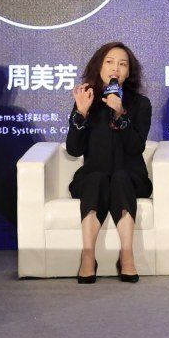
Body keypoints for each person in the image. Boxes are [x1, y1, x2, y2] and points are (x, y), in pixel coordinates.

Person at [66, 41, 152, 283]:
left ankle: (127, 255)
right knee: (96, 179)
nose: (116, 68)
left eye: (122, 64)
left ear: (129, 72)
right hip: (94, 175)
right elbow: (74, 149)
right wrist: (81, 113)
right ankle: (88, 255)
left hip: (131, 176)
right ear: (99, 66)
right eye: (110, 62)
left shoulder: (140, 104)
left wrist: (120, 113)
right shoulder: (87, 99)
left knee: (121, 179)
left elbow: (136, 147)